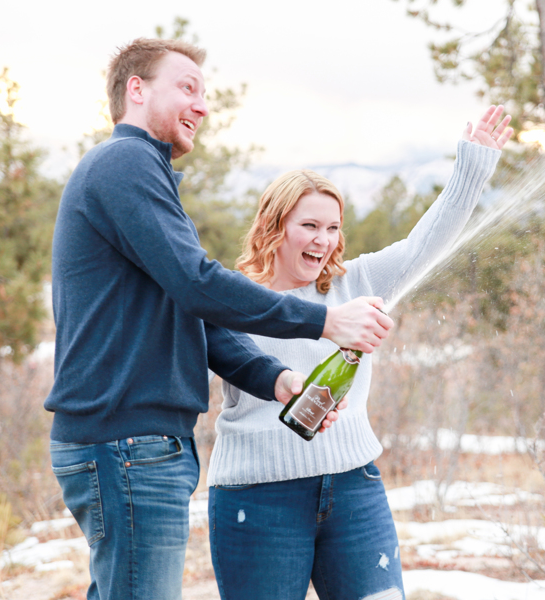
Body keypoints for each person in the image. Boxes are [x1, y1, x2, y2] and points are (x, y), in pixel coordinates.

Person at [44, 38, 393, 600]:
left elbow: (190, 311)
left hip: (138, 444)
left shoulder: (140, 174)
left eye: (203, 94)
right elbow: (197, 283)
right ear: (136, 90)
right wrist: (324, 323)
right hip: (126, 442)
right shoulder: (125, 162)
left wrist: (274, 379)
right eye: (186, 87)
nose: (203, 105)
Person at [206, 105, 513, 600]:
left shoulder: (360, 281)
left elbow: (425, 243)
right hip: (258, 495)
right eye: (309, 226)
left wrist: (472, 165)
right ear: (273, 226)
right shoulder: (233, 297)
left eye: (333, 227)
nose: (324, 241)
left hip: (354, 490)